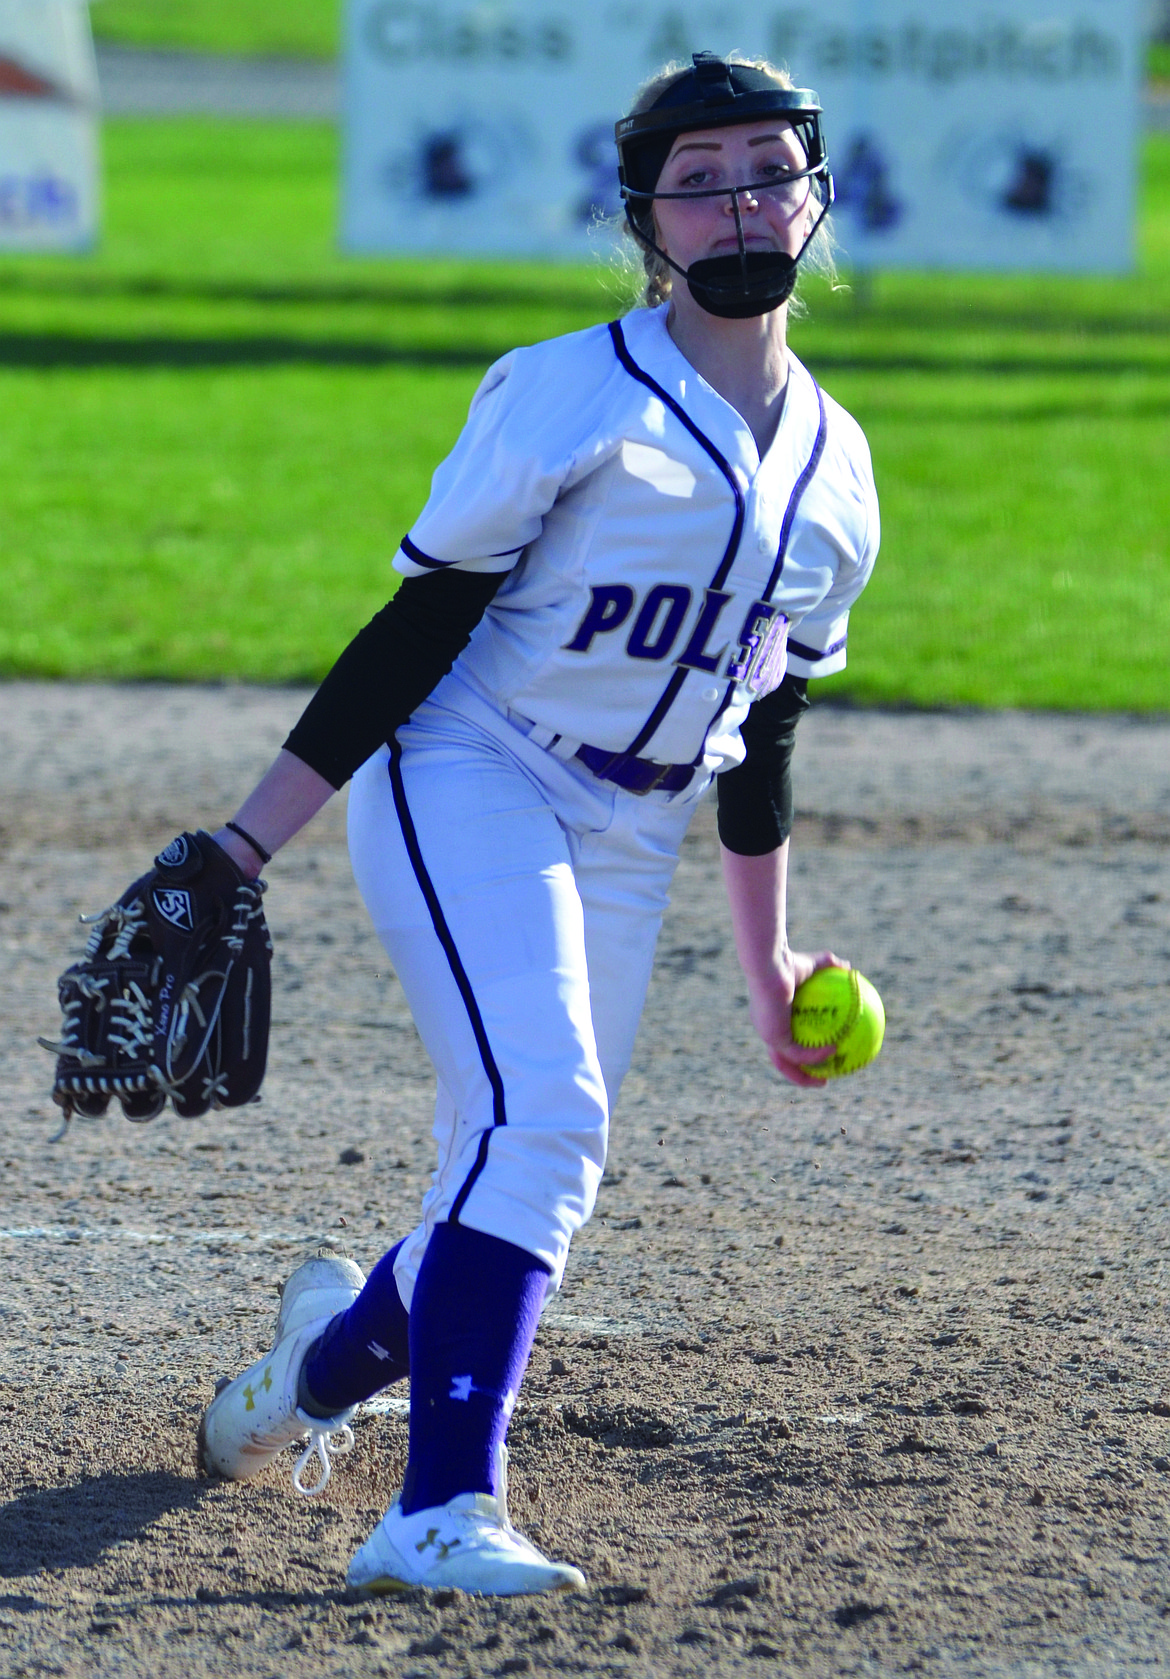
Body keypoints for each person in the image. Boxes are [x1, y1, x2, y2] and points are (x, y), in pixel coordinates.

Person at [196, 51, 879, 1597]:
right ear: (646, 217)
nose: (737, 202)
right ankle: (437, 1511)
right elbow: (414, 628)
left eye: (766, 168)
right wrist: (244, 844)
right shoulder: (565, 390)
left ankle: (300, 1379)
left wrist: (767, 974)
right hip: (475, 768)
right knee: (544, 1120)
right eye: (698, 179)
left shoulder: (838, 470)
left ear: (815, 195)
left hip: (635, 830)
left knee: (519, 1161)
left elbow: (763, 730)